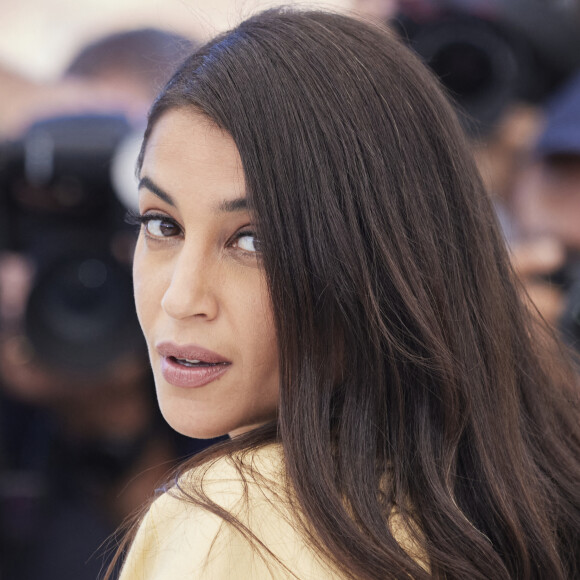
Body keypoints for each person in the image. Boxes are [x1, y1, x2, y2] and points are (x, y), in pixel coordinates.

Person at [109, 8, 580, 579]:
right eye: (162, 225)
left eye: (254, 240)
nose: (181, 298)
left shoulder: (234, 515)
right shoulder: (515, 497)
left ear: (381, 263)